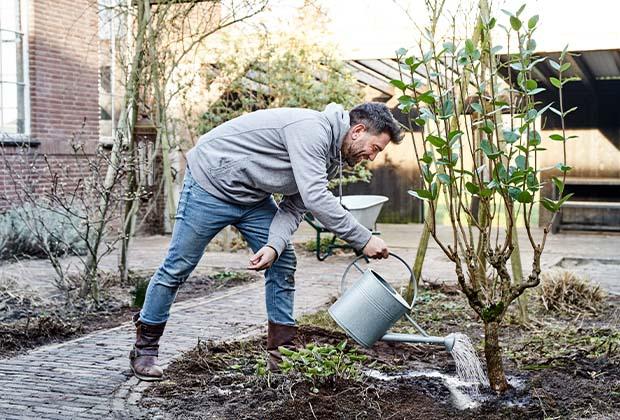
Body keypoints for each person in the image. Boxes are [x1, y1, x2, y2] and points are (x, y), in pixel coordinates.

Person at [129, 102, 402, 381]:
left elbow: (295, 206)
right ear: (357, 130)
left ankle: (280, 355)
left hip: (253, 197)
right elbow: (316, 198)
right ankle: (145, 348)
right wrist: (363, 238)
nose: (373, 157)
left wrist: (273, 245)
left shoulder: (332, 158)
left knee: (283, 260)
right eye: (376, 148)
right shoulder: (311, 130)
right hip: (210, 184)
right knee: (179, 266)